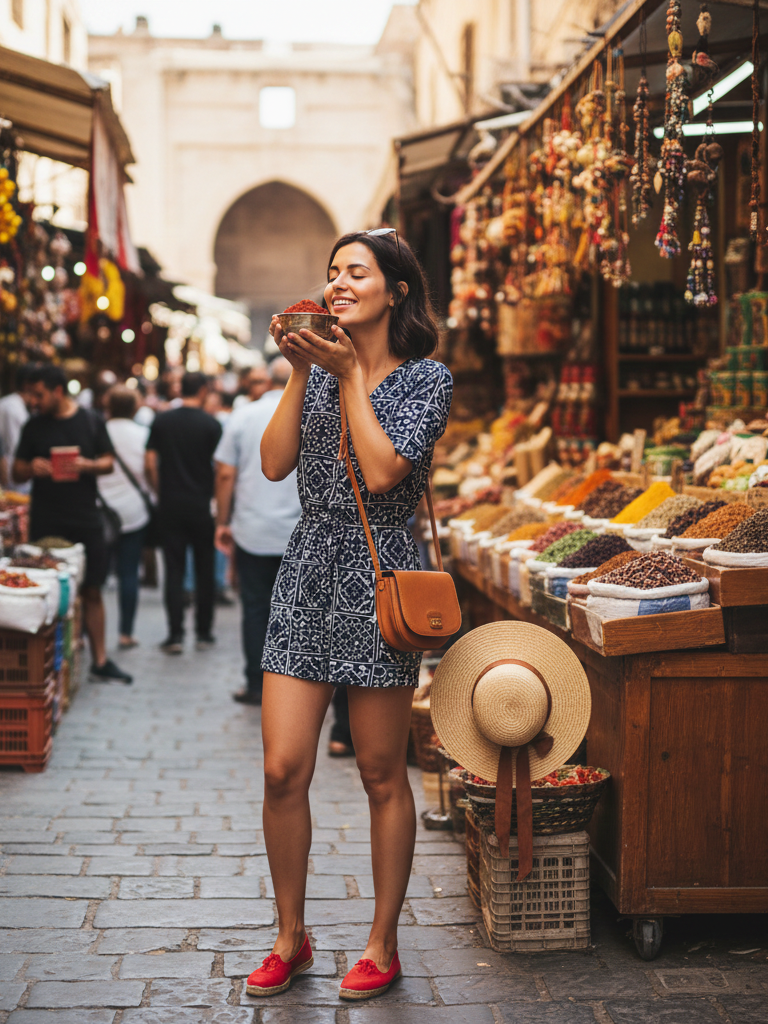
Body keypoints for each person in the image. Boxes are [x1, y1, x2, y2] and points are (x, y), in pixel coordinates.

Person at [247, 231, 452, 1001]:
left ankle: (381, 941)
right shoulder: (320, 369)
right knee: (280, 769)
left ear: (394, 290)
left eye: (355, 272)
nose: (337, 283)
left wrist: (351, 375)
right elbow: (274, 463)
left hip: (379, 578)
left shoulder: (429, 379)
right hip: (306, 570)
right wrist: (303, 370)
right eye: (331, 272)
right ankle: (290, 935)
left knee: (377, 772)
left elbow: (381, 470)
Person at [13, 364, 132, 684]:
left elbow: (108, 462)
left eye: (38, 394)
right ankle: (48, 665)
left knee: (92, 589)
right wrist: (31, 467)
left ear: (58, 391)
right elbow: (16, 470)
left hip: (85, 517)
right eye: (29, 394)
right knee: (44, 589)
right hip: (46, 520)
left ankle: (101, 660)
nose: (33, 400)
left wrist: (86, 465)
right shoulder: (34, 426)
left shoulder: (91, 421)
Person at [214, 357, 301, 706]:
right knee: (299, 612)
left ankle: (255, 684)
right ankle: (296, 688)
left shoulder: (244, 416)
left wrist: (223, 521)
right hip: (299, 532)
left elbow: (224, 474)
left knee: (254, 608)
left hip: (252, 528)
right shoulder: (313, 410)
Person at [145, 371, 222, 653]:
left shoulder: (163, 420)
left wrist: (159, 492)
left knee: (174, 570)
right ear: (202, 390)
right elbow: (220, 467)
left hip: (171, 505)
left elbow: (150, 462)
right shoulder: (211, 425)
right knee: (205, 569)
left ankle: (175, 634)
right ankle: (203, 632)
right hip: (201, 505)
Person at [98, 385, 153, 650]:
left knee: (96, 575)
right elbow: (150, 470)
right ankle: (125, 633)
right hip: (134, 512)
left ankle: (89, 636)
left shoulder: (98, 432)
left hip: (101, 511)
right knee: (129, 572)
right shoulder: (143, 435)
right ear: (134, 407)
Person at [0, 364, 35, 492]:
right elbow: (16, 446)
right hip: (14, 478)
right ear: (27, 385)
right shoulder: (15, 409)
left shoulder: (6, 403)